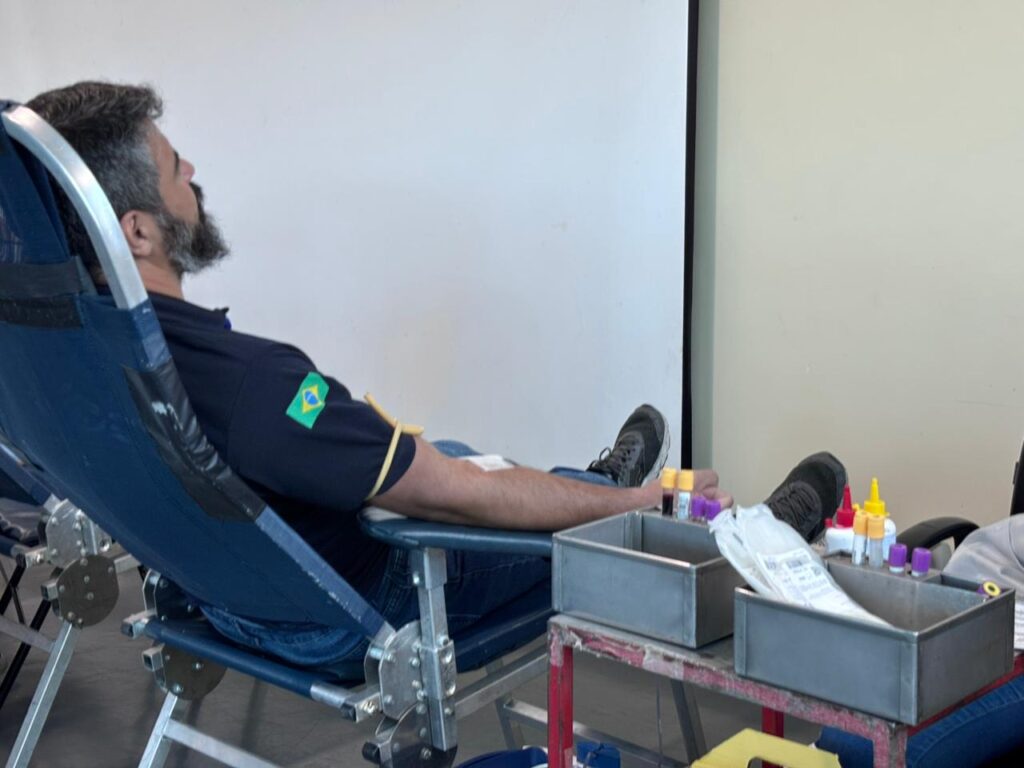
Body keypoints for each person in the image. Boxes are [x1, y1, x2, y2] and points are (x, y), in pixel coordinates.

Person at [26, 81, 844, 667]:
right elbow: (451, 495)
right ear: (137, 231)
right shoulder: (260, 389)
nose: (193, 172)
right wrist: (634, 508)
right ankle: (745, 542)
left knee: (448, 454)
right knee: (486, 484)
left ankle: (592, 482)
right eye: (176, 167)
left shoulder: (69, 371)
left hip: (233, 603)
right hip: (371, 606)